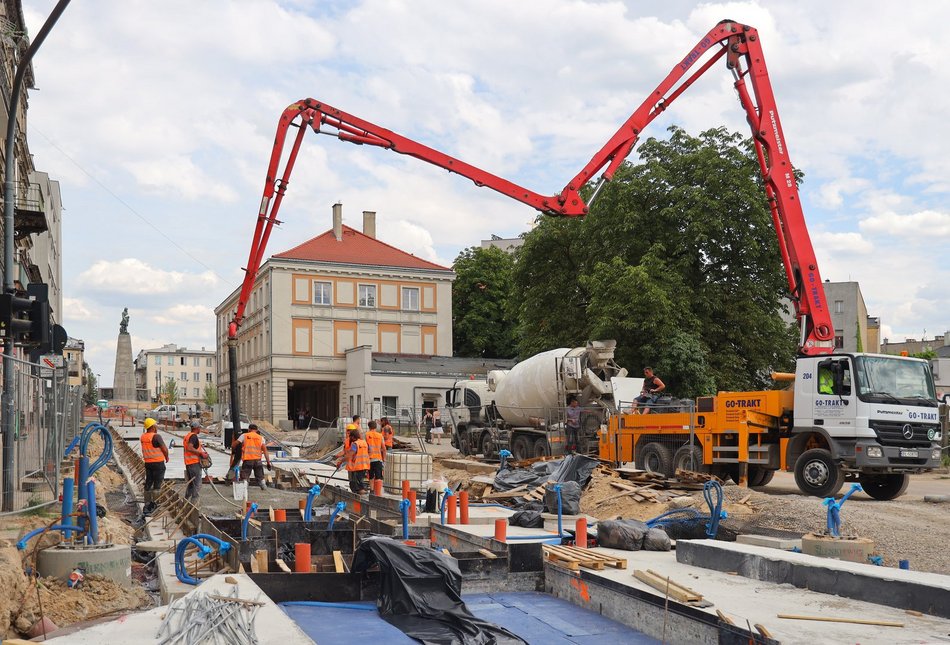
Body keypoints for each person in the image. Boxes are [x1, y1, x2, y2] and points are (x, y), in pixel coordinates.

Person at [141, 418, 169, 514]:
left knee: (148, 483)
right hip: (158, 463)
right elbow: (164, 449)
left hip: (148, 463)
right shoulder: (156, 437)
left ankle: (147, 504)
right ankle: (155, 505)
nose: (156, 427)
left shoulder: (143, 437)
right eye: (155, 425)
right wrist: (167, 457)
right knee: (157, 485)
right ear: (152, 427)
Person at [234, 424, 272, 490]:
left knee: (245, 477)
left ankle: (244, 490)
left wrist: (233, 449)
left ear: (249, 429)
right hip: (258, 460)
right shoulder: (261, 438)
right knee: (260, 477)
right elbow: (265, 451)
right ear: (256, 430)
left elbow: (235, 444)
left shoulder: (244, 435)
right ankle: (264, 489)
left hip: (248, 460)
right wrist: (268, 463)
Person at [183, 419, 210, 504]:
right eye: (199, 428)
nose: (200, 429)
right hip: (194, 464)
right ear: (196, 428)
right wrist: (201, 453)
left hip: (189, 463)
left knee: (191, 485)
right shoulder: (193, 436)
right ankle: (194, 505)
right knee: (197, 485)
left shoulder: (188, 436)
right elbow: (190, 448)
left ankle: (186, 502)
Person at [336, 428, 370, 494]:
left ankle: (360, 498)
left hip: (357, 467)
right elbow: (368, 451)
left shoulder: (355, 444)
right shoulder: (364, 442)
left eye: (350, 436)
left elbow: (349, 456)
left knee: (356, 485)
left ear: (353, 437)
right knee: (360, 483)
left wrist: (340, 461)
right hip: (364, 466)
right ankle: (361, 496)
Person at [365, 420, 387, 488]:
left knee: (371, 476)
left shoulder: (366, 434)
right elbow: (384, 448)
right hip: (378, 459)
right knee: (378, 477)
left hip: (369, 459)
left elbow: (364, 446)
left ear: (369, 427)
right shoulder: (380, 435)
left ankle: (371, 490)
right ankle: (378, 492)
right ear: (376, 427)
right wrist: (384, 459)